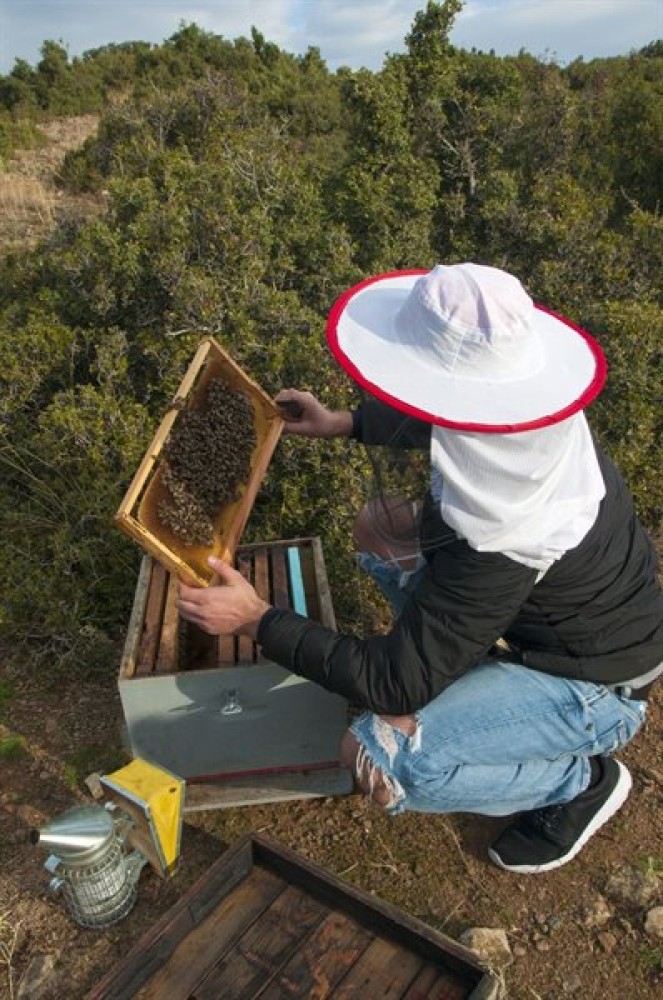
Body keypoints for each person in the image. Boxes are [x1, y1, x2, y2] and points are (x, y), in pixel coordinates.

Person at [177, 263, 663, 874]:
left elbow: (393, 684)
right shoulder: (527, 410)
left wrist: (256, 618)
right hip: (544, 617)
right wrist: (345, 422)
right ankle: (473, 670)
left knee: (375, 754)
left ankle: (578, 781)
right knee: (379, 526)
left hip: (592, 687)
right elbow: (448, 415)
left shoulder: (506, 535)